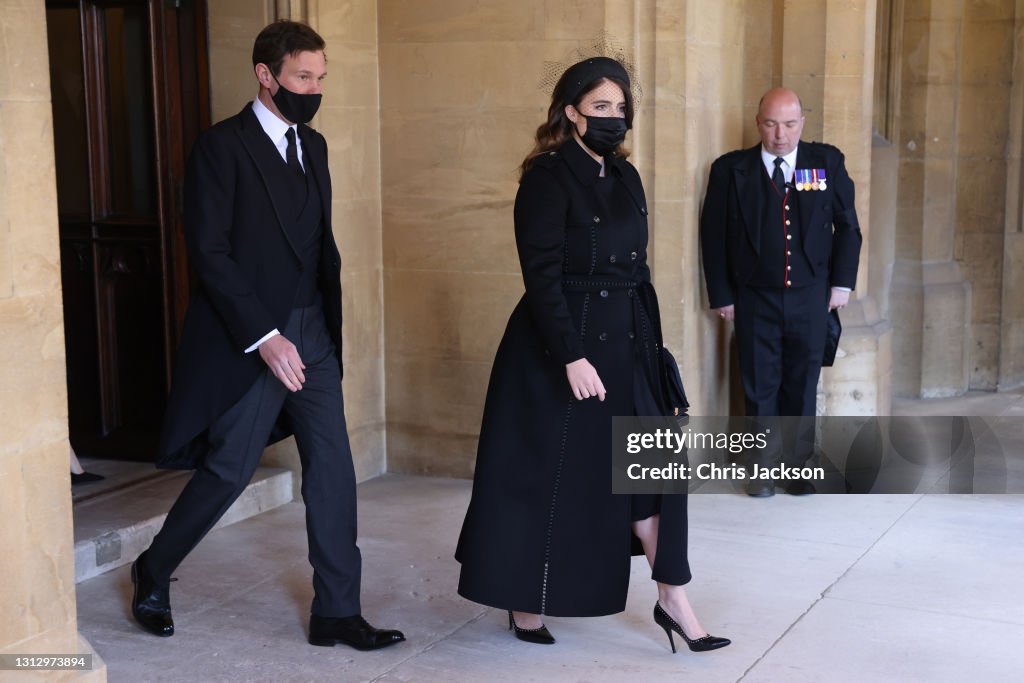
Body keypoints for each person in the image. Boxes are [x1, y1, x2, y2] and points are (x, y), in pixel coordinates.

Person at [129, 20, 404, 651]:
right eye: (302, 77)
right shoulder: (220, 147)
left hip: (313, 332)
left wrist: (315, 328)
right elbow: (211, 252)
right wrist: (265, 336)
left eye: (320, 78)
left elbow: (313, 245)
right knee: (228, 471)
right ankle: (154, 566)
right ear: (266, 75)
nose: (313, 89)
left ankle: (337, 610)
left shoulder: (317, 146)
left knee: (333, 468)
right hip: (254, 337)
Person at [455, 56, 729, 654]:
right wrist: (572, 357)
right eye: (601, 107)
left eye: (621, 108)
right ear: (571, 110)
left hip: (628, 342)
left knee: (655, 471)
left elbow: (641, 271)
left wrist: (653, 350)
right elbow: (541, 277)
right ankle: (524, 603)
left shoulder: (627, 178)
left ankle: (672, 596)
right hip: (559, 350)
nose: (613, 118)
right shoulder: (546, 178)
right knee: (543, 480)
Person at [699, 88, 862, 497]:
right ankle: (762, 468)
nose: (780, 134)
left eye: (789, 124)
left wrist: (842, 284)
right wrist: (722, 294)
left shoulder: (825, 163)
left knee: (802, 382)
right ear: (759, 124)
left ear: (802, 124)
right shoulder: (730, 170)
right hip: (754, 296)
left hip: (812, 295)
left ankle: (799, 466)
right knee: (758, 383)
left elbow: (849, 227)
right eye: (771, 124)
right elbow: (712, 236)